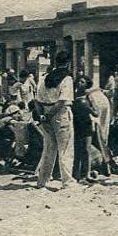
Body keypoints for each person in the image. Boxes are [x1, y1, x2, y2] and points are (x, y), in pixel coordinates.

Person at [33, 51, 76, 190]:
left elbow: (37, 101)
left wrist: (42, 116)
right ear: (68, 63)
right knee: (65, 149)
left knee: (48, 149)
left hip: (44, 113)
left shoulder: (44, 78)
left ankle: (42, 181)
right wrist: (49, 116)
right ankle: (67, 182)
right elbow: (62, 102)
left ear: (55, 62)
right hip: (60, 115)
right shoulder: (67, 79)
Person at [73, 76, 99, 182]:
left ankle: (86, 174)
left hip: (86, 124)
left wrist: (88, 109)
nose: (80, 83)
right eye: (79, 81)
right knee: (77, 150)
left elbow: (96, 113)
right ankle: (76, 174)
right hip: (76, 124)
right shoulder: (73, 95)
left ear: (86, 84)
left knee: (86, 150)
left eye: (82, 82)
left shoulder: (89, 97)